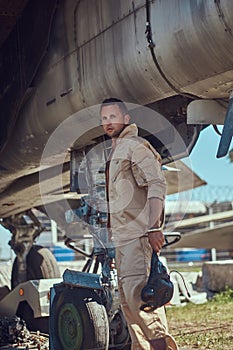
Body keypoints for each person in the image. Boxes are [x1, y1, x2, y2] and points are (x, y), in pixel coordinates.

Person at [100, 98, 178, 350]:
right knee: (129, 304)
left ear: (126, 119)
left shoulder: (136, 147)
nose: (108, 122)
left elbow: (157, 184)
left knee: (143, 303)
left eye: (113, 116)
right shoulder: (116, 151)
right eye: (103, 118)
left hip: (139, 236)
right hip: (124, 239)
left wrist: (154, 227)